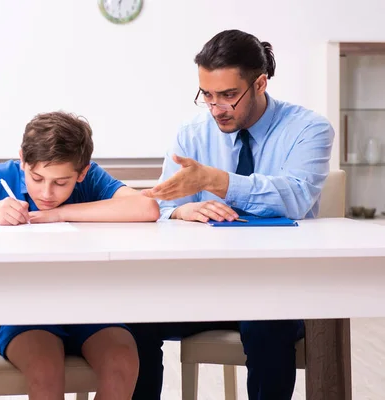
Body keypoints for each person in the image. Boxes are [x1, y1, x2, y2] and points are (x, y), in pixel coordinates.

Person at [129, 29, 334, 400]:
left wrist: (218, 181)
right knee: (133, 321)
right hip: (204, 284)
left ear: (259, 83)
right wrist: (180, 212)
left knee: (266, 325)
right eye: (206, 95)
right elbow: (158, 205)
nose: (216, 108)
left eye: (227, 96)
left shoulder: (309, 129)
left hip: (277, 284)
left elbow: (297, 198)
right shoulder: (191, 134)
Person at [0, 110, 160, 400]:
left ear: (82, 172)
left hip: (88, 308)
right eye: (37, 178)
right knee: (45, 372)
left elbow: (146, 208)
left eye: (61, 183)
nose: (47, 192)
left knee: (123, 363)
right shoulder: (1, 177)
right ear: (23, 161)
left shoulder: (91, 180)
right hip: (23, 313)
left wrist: (61, 213)